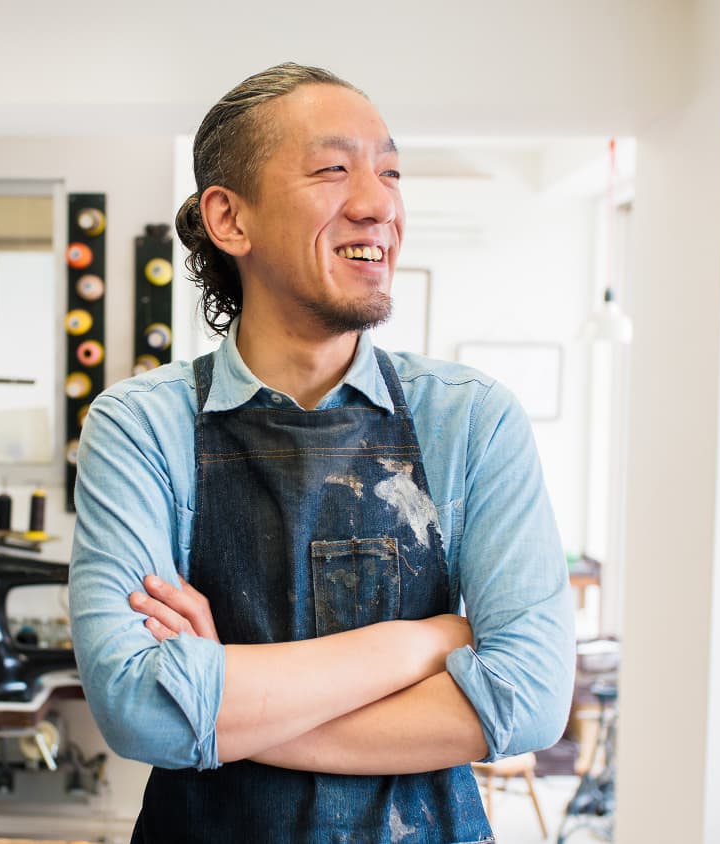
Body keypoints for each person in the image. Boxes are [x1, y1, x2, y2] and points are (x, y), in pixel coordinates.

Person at [69, 63, 576, 842]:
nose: (379, 204)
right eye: (333, 170)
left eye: (392, 172)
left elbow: (528, 697)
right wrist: (428, 641)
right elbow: (139, 711)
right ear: (229, 219)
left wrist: (222, 710)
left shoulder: (472, 421)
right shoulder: (143, 427)